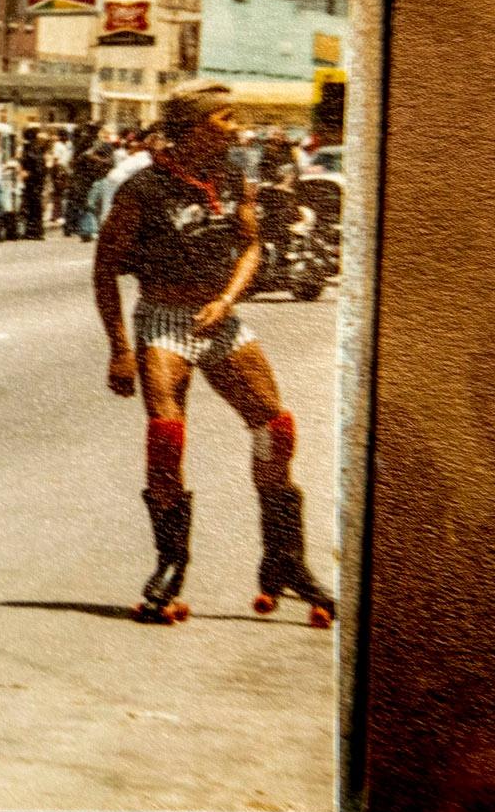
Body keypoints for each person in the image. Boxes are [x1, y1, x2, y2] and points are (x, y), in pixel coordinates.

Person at [93, 80, 336, 628]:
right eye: (226, 119)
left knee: (275, 428)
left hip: (220, 318)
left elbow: (251, 245)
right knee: (166, 437)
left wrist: (228, 299)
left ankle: (284, 559)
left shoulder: (231, 178)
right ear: (197, 127)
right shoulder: (142, 190)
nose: (237, 128)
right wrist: (119, 350)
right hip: (164, 321)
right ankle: (170, 566)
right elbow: (104, 268)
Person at [19, 127, 50, 241]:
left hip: (33, 182)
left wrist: (29, 173)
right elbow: (41, 167)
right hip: (36, 182)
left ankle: (33, 231)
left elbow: (36, 166)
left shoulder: (31, 149)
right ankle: (35, 231)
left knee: (33, 207)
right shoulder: (35, 149)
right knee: (35, 207)